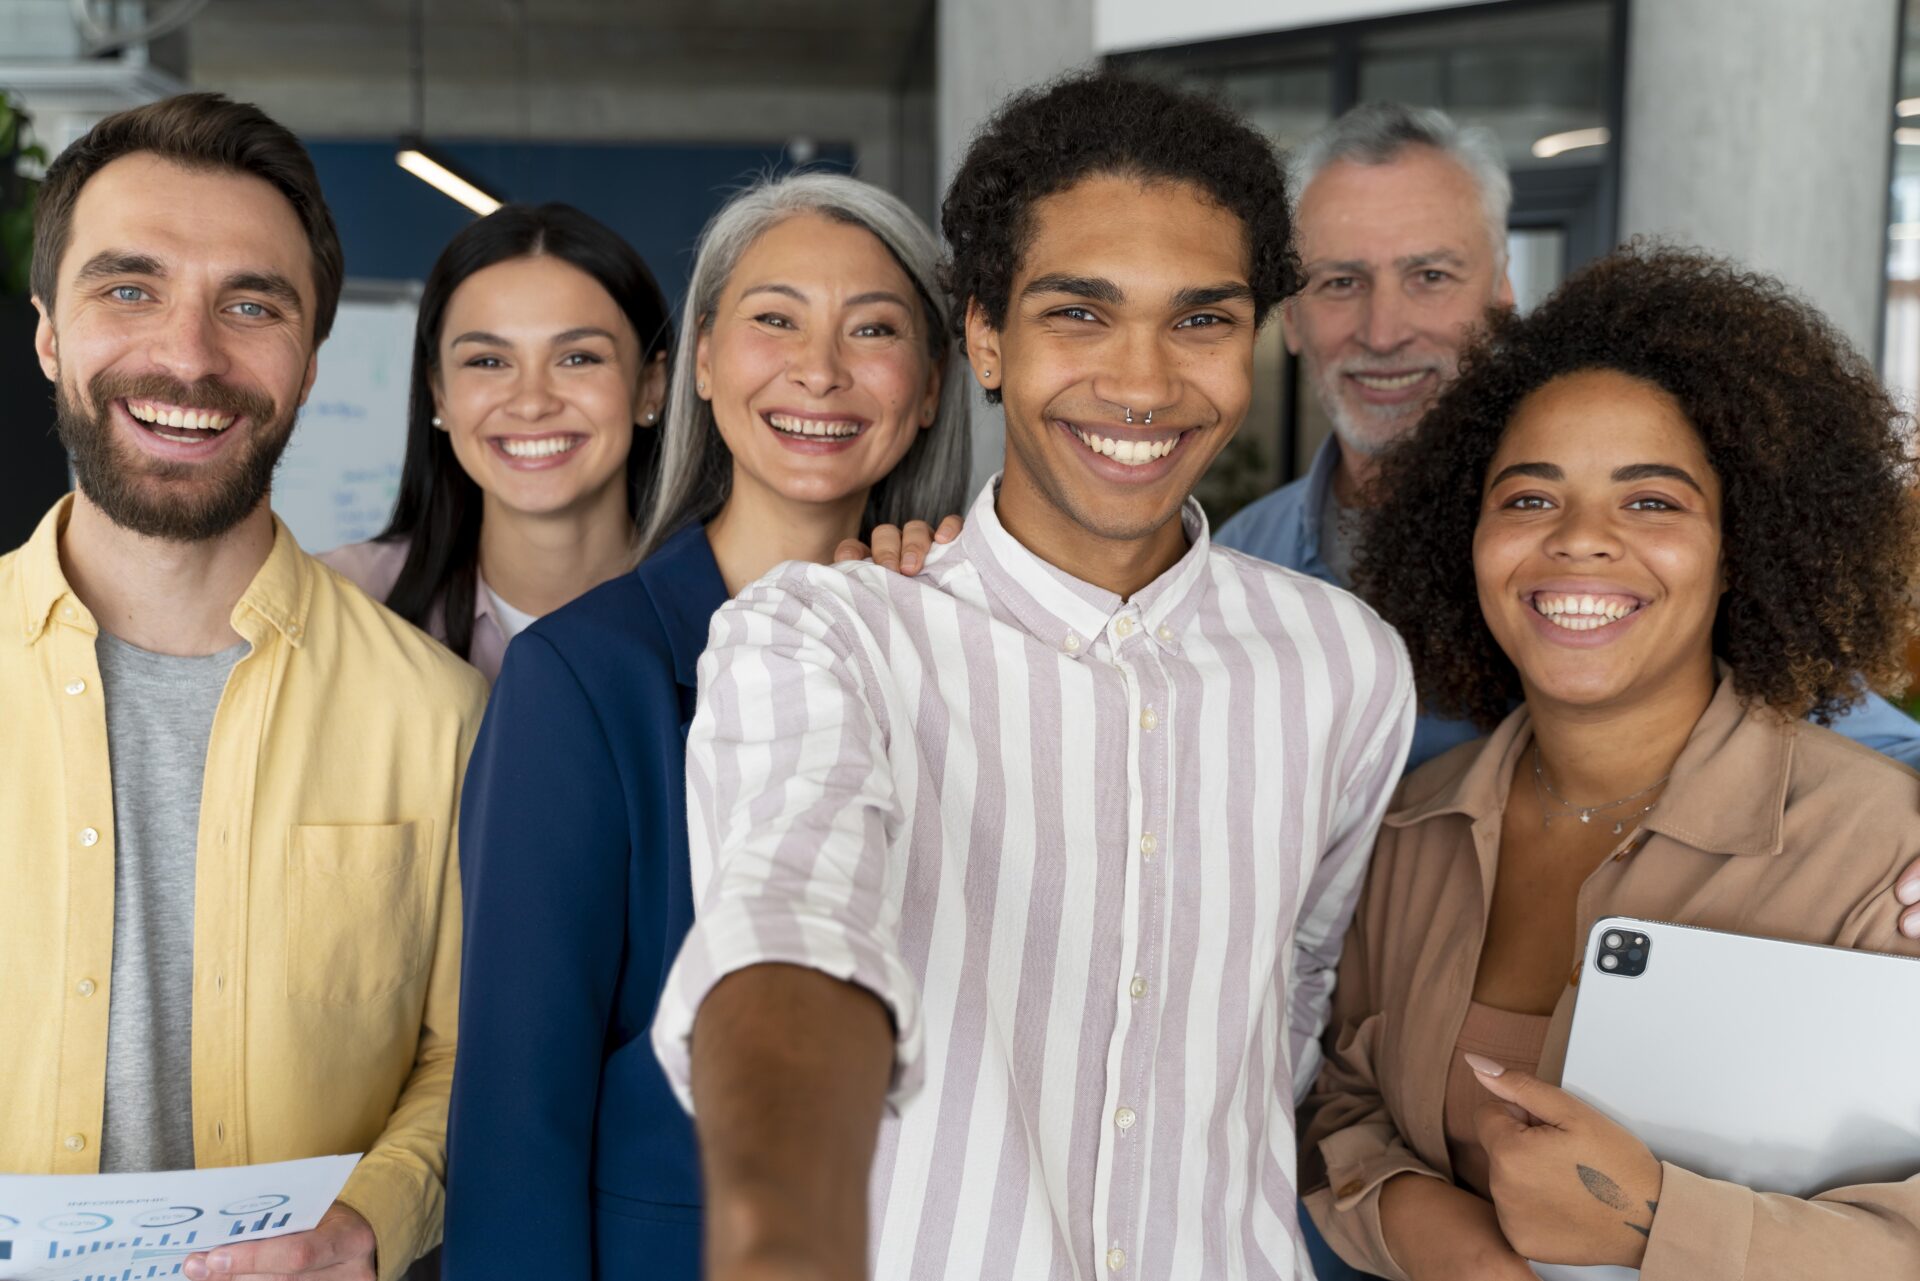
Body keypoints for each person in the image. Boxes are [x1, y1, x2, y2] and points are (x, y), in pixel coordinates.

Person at [650, 72, 1416, 1280]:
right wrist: (784, 1241)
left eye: (1202, 320)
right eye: (1080, 314)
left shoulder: (1344, 665)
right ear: (986, 337)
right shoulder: (821, 635)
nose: (1145, 383)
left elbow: (1292, 994)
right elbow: (787, 924)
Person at [1302, 244, 1920, 1281]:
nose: (1580, 541)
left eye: (1652, 502)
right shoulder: (1405, 828)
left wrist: (1648, 1224)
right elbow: (1343, 1109)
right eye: (1530, 499)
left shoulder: (1879, 855)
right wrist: (1448, 1245)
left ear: (1743, 546)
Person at [443, 171, 969, 1280]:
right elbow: (517, 1114)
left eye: (873, 329)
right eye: (774, 319)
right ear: (705, 366)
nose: (819, 370)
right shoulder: (580, 679)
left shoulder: (969, 655)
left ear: (929, 389)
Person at [0, 94, 485, 1281]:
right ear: (49, 333)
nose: (190, 355)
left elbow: (468, 1060)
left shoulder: (442, 717)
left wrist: (370, 1222)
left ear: (311, 361)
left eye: (251, 304)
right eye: (129, 288)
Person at [1215, 102, 1920, 780]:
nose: (1384, 330)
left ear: (1501, 295)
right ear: (1293, 320)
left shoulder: (1647, 554)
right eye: (1341, 282)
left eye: (1430, 276)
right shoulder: (1233, 563)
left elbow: (1876, 747)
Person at [321, 202, 671, 682]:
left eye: (578, 359)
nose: (531, 403)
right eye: (488, 362)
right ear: (439, 394)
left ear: (651, 385)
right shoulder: (341, 606)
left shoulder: (731, 616)